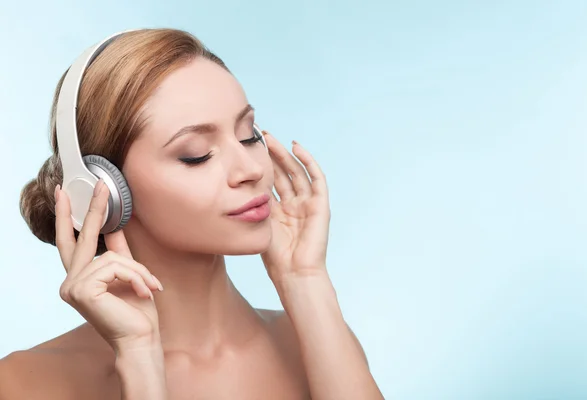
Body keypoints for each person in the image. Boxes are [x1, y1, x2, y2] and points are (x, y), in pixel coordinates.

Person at [0, 28, 383, 399]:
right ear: (106, 188)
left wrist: (305, 279)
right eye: (196, 154)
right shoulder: (24, 383)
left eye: (248, 135)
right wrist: (139, 360)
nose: (250, 169)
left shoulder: (321, 340)